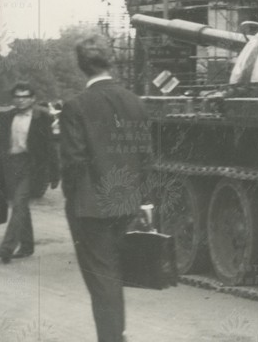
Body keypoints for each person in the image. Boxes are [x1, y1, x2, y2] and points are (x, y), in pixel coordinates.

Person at [60, 36, 151, 342]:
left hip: (90, 208)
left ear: (81, 66)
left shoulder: (75, 106)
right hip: (126, 203)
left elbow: (73, 163)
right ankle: (116, 335)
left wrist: (73, 199)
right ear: (109, 61)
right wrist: (144, 201)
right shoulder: (135, 102)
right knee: (112, 278)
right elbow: (145, 157)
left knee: (102, 281)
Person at [0, 81, 59, 263]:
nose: (21, 100)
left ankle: (6, 248)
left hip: (31, 166)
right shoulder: (6, 116)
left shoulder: (43, 117)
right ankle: (27, 246)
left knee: (19, 204)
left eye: (25, 96)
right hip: (10, 165)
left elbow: (50, 147)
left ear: (33, 99)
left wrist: (55, 173)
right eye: (17, 96)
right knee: (21, 206)